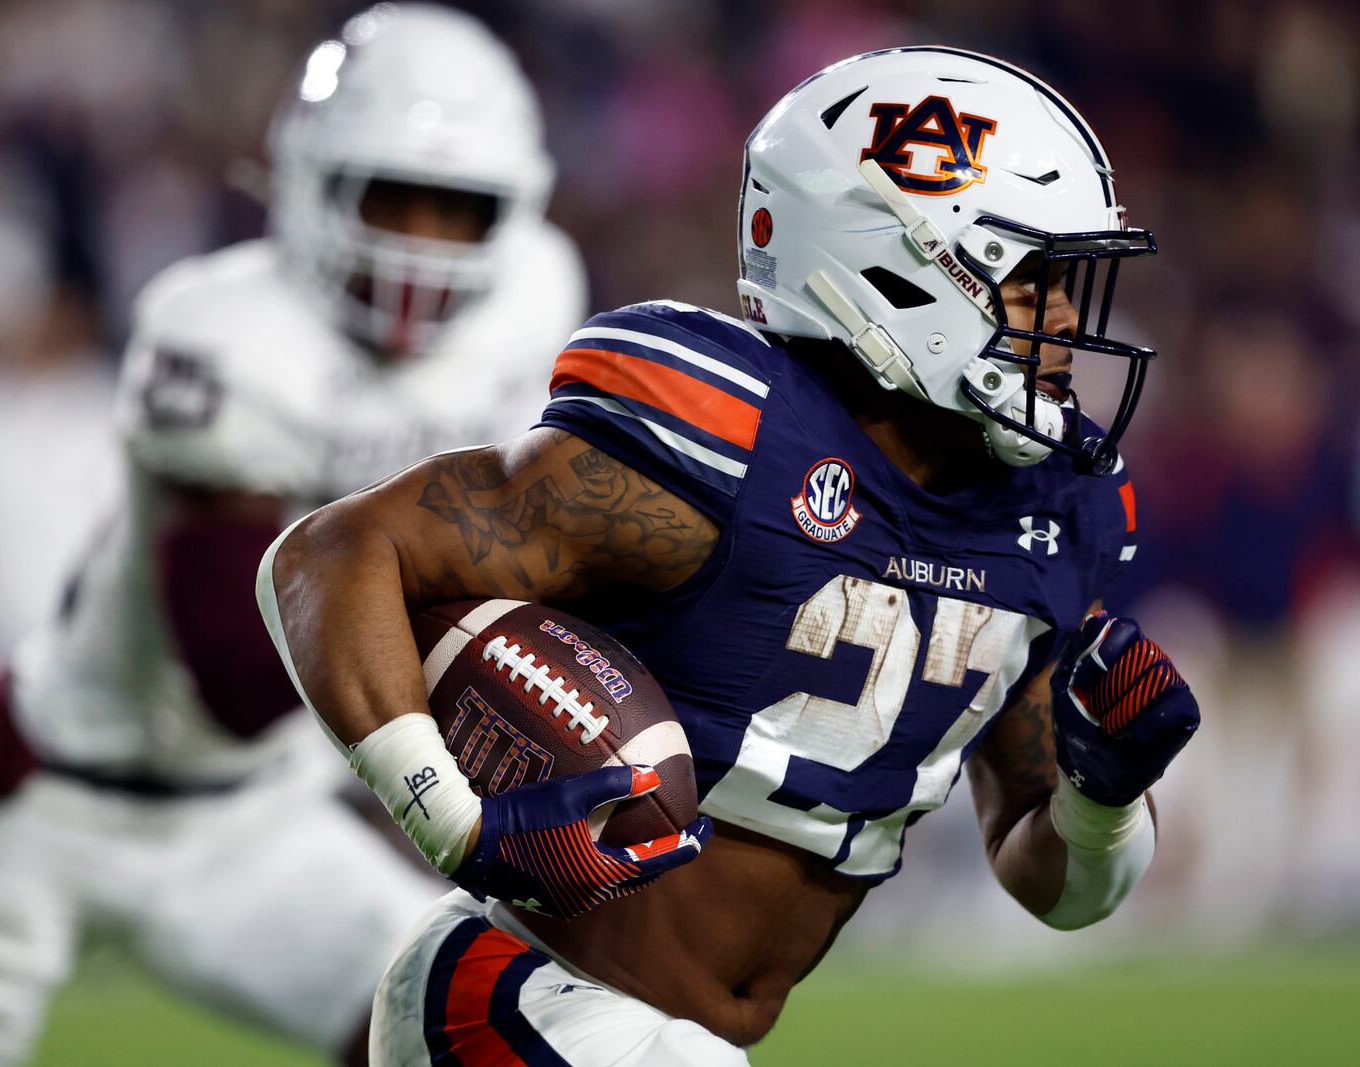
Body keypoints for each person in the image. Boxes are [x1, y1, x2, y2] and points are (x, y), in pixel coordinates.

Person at [258, 47, 1198, 1066]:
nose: (1066, 321)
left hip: (674, 1035)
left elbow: (1049, 882)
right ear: (898, 264)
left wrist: (1102, 797)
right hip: (536, 989)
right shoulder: (729, 442)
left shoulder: (1048, 517)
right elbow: (332, 554)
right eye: (1032, 280)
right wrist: (449, 817)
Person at [0, 5, 585, 1065]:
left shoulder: (534, 295)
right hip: (48, 793)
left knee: (479, 1029)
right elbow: (237, 666)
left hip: (252, 820)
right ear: (309, 184)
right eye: (390, 197)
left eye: (457, 208)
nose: (419, 244)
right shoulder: (222, 329)